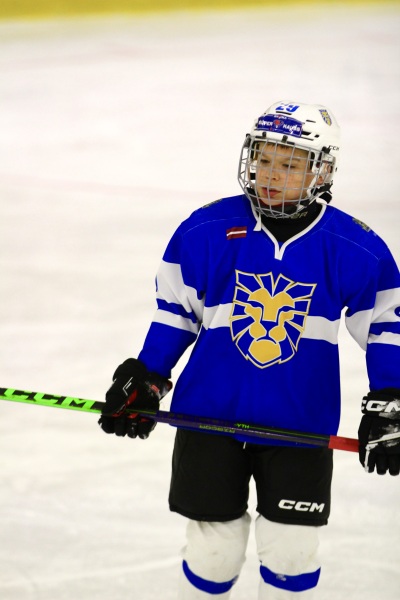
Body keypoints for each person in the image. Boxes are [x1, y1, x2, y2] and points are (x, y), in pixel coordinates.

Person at [99, 101, 400, 599]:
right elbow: (176, 312)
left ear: (321, 171)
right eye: (263, 158)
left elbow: (388, 325)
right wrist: (148, 376)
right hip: (207, 417)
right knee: (213, 553)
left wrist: (391, 399)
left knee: (291, 553)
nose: (270, 174)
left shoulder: (354, 246)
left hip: (300, 424)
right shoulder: (206, 229)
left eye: (289, 164)